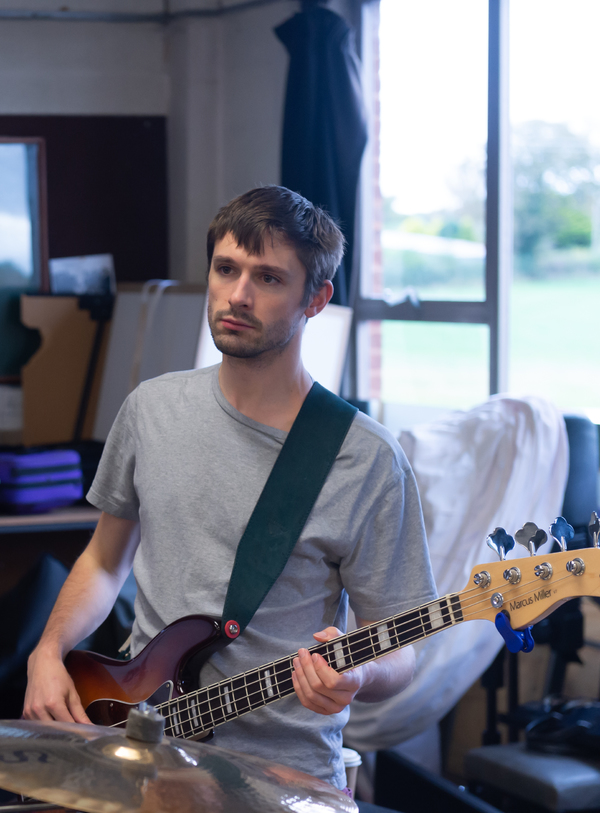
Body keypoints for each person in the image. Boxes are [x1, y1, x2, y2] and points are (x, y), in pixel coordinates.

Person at [24, 186, 437, 790]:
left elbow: (404, 642)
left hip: (285, 778)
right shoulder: (151, 409)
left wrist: (360, 676)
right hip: (147, 758)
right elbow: (106, 561)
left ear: (316, 299)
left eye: (269, 278)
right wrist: (48, 651)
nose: (238, 295)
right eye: (226, 269)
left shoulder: (366, 459)